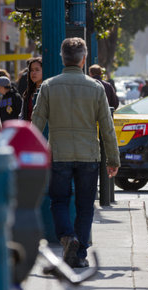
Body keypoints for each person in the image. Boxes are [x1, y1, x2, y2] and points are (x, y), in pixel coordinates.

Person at [32, 37, 120, 268]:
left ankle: (67, 237)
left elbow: (36, 123)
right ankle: (79, 253)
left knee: (59, 201)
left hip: (59, 154)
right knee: (85, 205)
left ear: (62, 58)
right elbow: (107, 127)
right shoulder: (96, 87)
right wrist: (113, 158)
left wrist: (30, 155)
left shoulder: (49, 86)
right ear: (83, 60)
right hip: (88, 155)